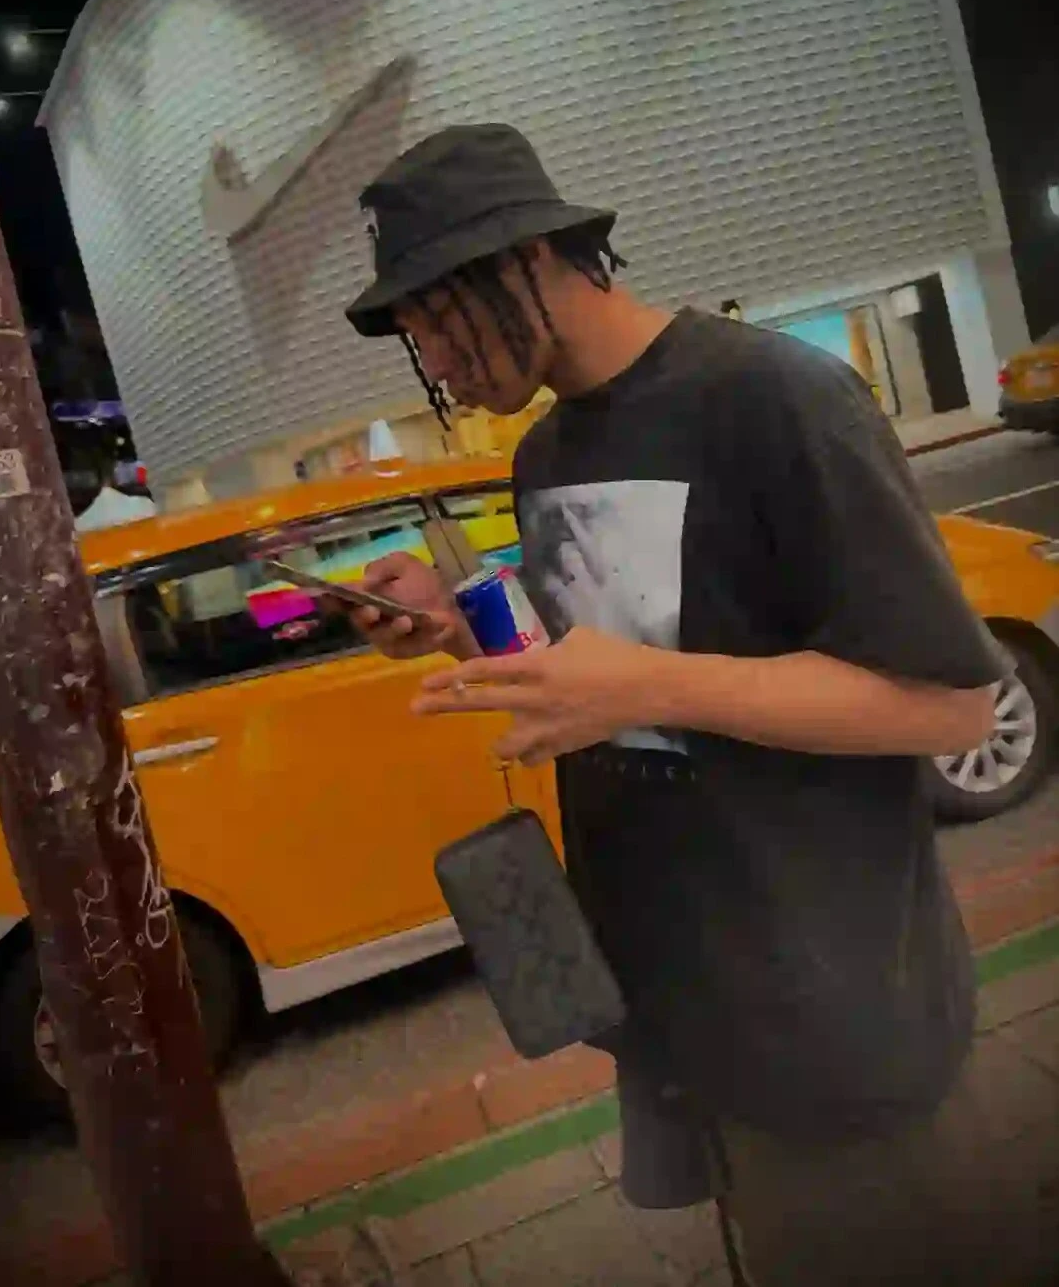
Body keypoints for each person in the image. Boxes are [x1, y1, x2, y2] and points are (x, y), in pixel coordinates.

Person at [342, 126, 1024, 1284]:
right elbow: (612, 656)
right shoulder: (544, 454)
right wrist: (457, 626)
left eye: (440, 317)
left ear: (532, 257)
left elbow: (954, 709)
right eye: (413, 332)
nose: (433, 359)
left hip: (838, 1026)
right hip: (679, 1015)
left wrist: (652, 684)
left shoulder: (779, 400)